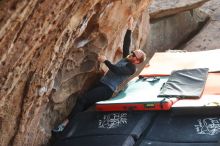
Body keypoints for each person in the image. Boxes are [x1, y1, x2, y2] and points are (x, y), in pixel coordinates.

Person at [52, 17, 146, 133]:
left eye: (134, 55)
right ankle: (71, 128)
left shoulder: (131, 68)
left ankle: (64, 125)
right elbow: (126, 45)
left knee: (83, 100)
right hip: (101, 83)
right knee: (85, 104)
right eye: (132, 53)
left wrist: (105, 60)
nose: (131, 54)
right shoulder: (128, 59)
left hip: (107, 89)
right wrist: (130, 28)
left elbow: (116, 70)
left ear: (137, 61)